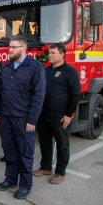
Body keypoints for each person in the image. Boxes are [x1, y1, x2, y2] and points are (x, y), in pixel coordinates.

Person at [0, 35, 45, 199]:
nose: (10, 50)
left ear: (23, 49)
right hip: (6, 116)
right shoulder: (7, 67)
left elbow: (39, 95)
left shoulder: (35, 67)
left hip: (23, 119)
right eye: (9, 47)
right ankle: (10, 179)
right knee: (9, 150)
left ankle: (25, 185)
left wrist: (32, 119)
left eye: (13, 47)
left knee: (24, 152)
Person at [33, 43, 81, 184]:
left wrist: (69, 114)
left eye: (53, 52)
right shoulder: (45, 70)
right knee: (45, 142)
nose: (50, 55)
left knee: (62, 144)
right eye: (49, 52)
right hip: (43, 115)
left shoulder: (70, 72)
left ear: (62, 54)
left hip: (60, 117)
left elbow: (75, 95)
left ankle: (60, 172)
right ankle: (45, 167)